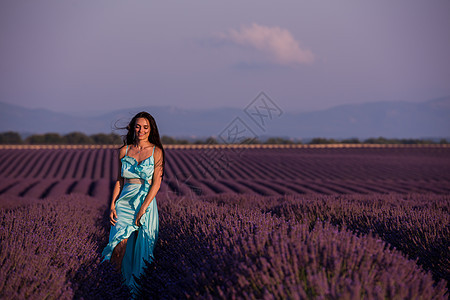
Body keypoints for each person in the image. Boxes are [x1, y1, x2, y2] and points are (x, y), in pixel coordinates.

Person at [102, 111, 165, 292]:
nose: (141, 130)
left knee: (142, 252)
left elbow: (156, 183)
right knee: (117, 246)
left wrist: (143, 208)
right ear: (132, 128)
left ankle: (135, 292)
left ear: (150, 129)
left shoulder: (156, 152)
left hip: (145, 202)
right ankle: (112, 289)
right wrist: (112, 204)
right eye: (138, 126)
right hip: (125, 202)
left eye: (145, 127)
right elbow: (119, 180)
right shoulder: (124, 151)